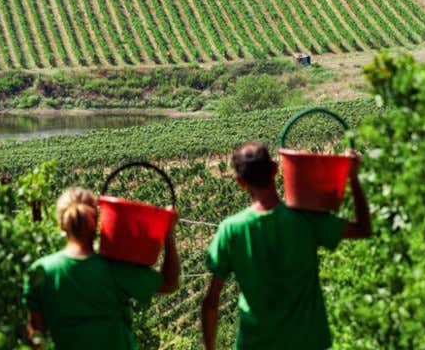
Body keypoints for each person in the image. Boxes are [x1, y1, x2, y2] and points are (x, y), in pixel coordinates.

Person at [200, 143, 372, 350]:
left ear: (240, 182)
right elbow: (363, 229)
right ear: (275, 169)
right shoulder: (307, 219)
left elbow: (211, 302)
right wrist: (353, 178)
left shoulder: (230, 230)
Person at [25, 188, 180, 350]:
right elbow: (170, 284)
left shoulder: (42, 270)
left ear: (62, 224)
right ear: (98, 222)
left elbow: (36, 336)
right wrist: (168, 233)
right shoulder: (116, 269)